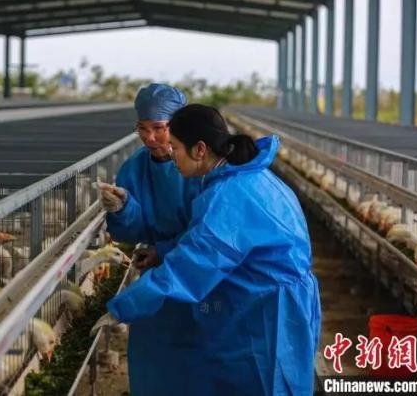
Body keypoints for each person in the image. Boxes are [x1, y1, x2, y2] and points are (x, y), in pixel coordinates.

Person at [107, 104, 321, 396]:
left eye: (176, 148)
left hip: (268, 312)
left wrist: (124, 306)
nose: (171, 156)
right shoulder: (249, 178)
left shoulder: (228, 196)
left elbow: (190, 267)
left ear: (200, 150)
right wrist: (167, 249)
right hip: (270, 298)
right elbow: (211, 243)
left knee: (267, 383)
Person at [99, 84, 202, 396]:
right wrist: (123, 208)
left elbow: (209, 233)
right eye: (142, 129)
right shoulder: (135, 168)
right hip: (157, 278)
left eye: (158, 128)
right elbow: (134, 230)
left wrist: (166, 251)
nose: (150, 138)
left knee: (200, 356)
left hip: (200, 274)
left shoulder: (200, 166)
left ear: (177, 125)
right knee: (154, 356)